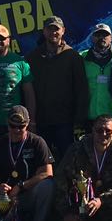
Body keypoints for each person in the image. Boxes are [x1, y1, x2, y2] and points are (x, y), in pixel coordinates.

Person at [53, 114, 112, 221]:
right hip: (78, 203)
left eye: (108, 131)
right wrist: (66, 213)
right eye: (99, 130)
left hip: (103, 204)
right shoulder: (77, 148)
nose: (103, 134)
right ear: (93, 130)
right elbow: (60, 179)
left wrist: (100, 200)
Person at [0, 105, 56, 221]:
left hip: (28, 194)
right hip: (6, 198)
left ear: (27, 124)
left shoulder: (37, 142)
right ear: (7, 124)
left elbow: (47, 173)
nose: (16, 130)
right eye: (13, 126)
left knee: (47, 185)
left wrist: (21, 186)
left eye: (21, 126)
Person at [26, 16, 89, 161]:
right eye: (49, 29)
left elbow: (81, 90)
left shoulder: (73, 56)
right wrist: (31, 120)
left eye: (56, 29)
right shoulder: (32, 57)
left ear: (63, 31)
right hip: (41, 122)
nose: (53, 32)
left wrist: (79, 120)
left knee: (68, 161)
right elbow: (27, 90)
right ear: (44, 31)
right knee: (42, 161)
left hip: (65, 122)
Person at [80, 23, 112, 131]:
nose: (101, 38)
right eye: (98, 35)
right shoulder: (81, 57)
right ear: (92, 38)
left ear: (111, 38)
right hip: (89, 116)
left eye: (105, 35)